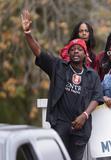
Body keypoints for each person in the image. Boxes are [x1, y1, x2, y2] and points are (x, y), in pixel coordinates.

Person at [21, 10, 104, 160]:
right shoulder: (58, 66)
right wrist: (28, 34)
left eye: (79, 49)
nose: (76, 52)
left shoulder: (92, 75)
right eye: (72, 50)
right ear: (69, 53)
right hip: (60, 123)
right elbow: (39, 52)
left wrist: (84, 116)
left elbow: (97, 97)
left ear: (85, 54)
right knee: (58, 157)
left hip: (81, 125)